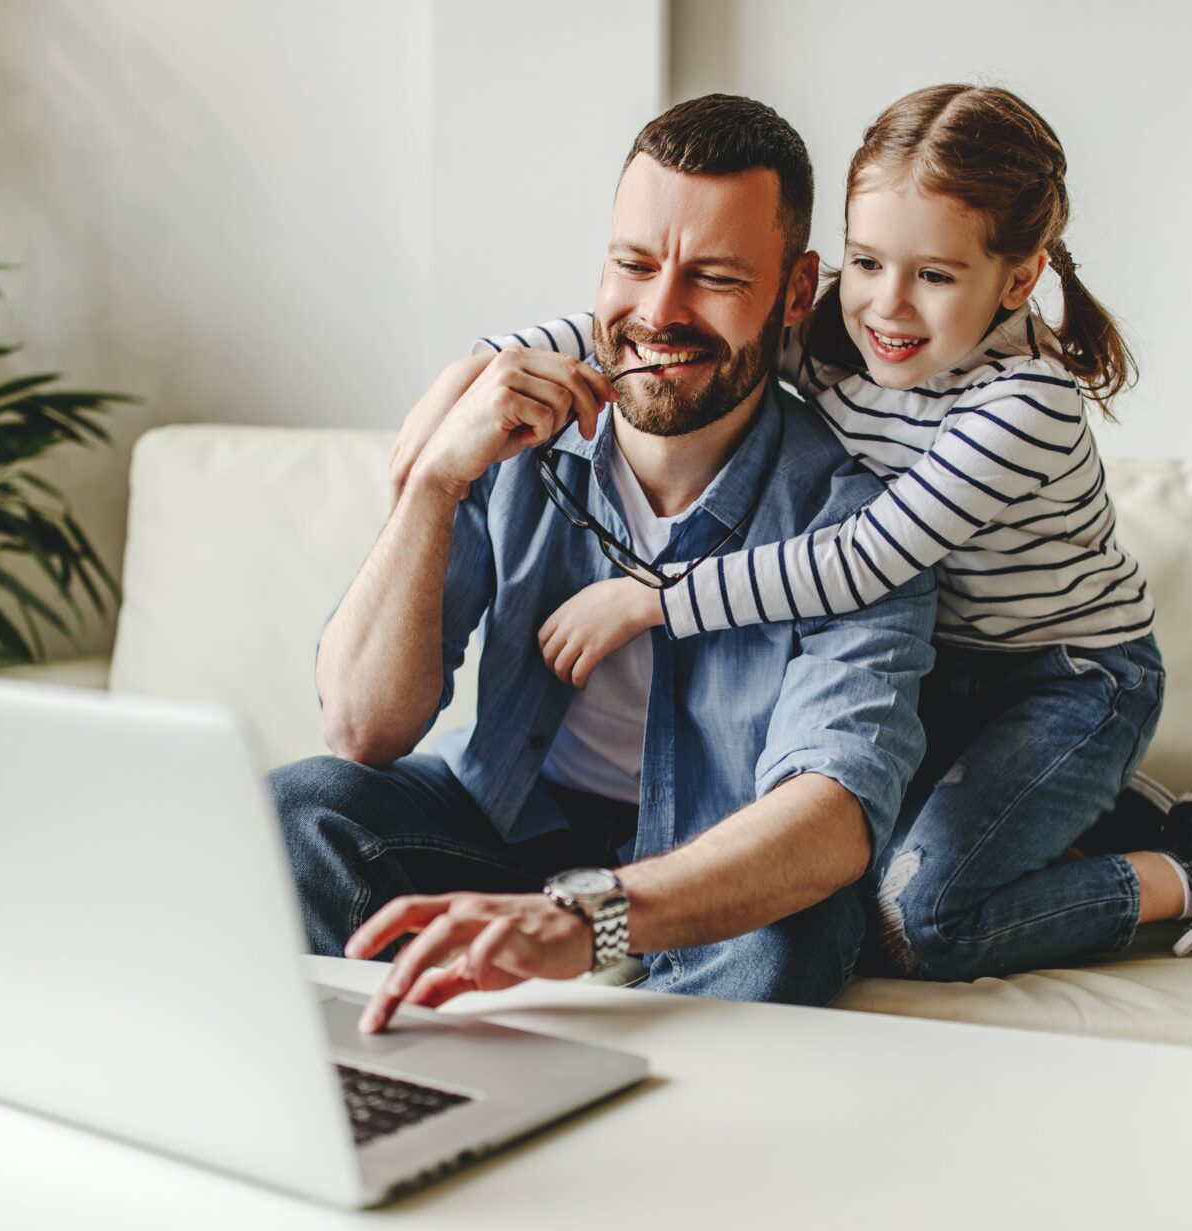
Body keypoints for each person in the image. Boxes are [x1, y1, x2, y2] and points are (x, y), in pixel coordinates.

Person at [399, 85, 1192, 975]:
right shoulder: (839, 332)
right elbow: (660, 326)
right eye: (866, 263)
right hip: (942, 665)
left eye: (936, 276)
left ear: (1018, 276)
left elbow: (866, 559)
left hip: (1065, 680)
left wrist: (655, 599)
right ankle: (1075, 812)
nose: (887, 308)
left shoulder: (1025, 401)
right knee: (807, 871)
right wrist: (472, 380)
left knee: (917, 921)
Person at [281, 94, 939, 1035]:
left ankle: (626, 1130)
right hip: (513, 821)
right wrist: (432, 484)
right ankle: (393, 1090)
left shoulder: (865, 521)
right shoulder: (512, 436)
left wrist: (593, 916)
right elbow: (362, 727)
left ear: (797, 293)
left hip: (717, 862)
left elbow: (830, 813)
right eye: (634, 265)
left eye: (713, 278)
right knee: (304, 807)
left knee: (794, 928)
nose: (659, 313)